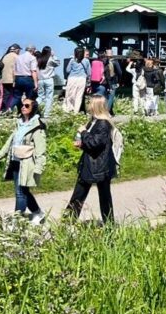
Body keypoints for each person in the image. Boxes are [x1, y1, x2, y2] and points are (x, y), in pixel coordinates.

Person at [0, 98, 47, 224]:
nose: (23, 107)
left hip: (27, 163)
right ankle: (38, 212)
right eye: (22, 105)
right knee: (24, 192)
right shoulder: (19, 123)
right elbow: (9, 143)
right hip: (15, 161)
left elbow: (41, 150)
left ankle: (16, 222)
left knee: (20, 193)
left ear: (33, 109)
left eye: (27, 106)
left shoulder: (37, 127)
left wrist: (39, 168)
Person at [65, 95, 116, 224]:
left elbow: (95, 143)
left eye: (90, 103)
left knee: (104, 197)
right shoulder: (93, 121)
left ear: (96, 106)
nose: (88, 105)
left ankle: (109, 224)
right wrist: (81, 144)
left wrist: (83, 132)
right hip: (89, 163)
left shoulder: (103, 123)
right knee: (79, 194)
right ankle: (67, 222)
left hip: (100, 166)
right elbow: (92, 144)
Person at [63, 47, 91, 114]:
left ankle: (69, 109)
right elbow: (89, 72)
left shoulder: (72, 60)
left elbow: (68, 70)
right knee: (79, 96)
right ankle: (76, 111)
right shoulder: (86, 61)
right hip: (82, 79)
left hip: (72, 78)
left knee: (70, 95)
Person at [36, 46, 59, 118]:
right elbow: (58, 63)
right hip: (49, 79)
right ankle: (46, 114)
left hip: (40, 80)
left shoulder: (39, 60)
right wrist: (54, 56)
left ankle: (34, 106)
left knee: (40, 97)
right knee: (49, 97)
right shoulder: (50, 60)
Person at [0, 44, 19, 115]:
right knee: (16, 95)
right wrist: (15, 80)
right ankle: (11, 109)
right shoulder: (16, 57)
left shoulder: (5, 57)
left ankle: (3, 109)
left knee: (5, 96)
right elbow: (15, 69)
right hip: (12, 79)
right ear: (17, 50)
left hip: (4, 79)